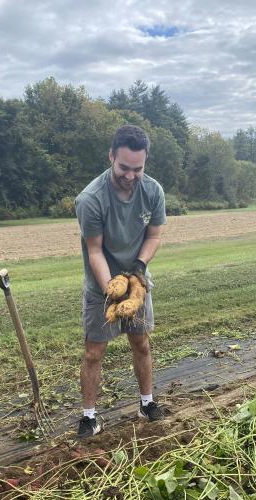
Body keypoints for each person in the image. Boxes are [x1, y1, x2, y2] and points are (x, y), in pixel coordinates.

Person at [75, 125, 166, 438]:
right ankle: (89, 417)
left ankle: (147, 403)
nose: (130, 175)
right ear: (111, 156)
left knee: (141, 343)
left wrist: (138, 270)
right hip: (102, 284)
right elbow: (95, 251)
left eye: (137, 169)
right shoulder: (91, 199)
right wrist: (112, 292)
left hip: (138, 282)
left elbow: (154, 236)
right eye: (124, 167)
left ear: (146, 162)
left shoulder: (153, 191)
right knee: (93, 353)